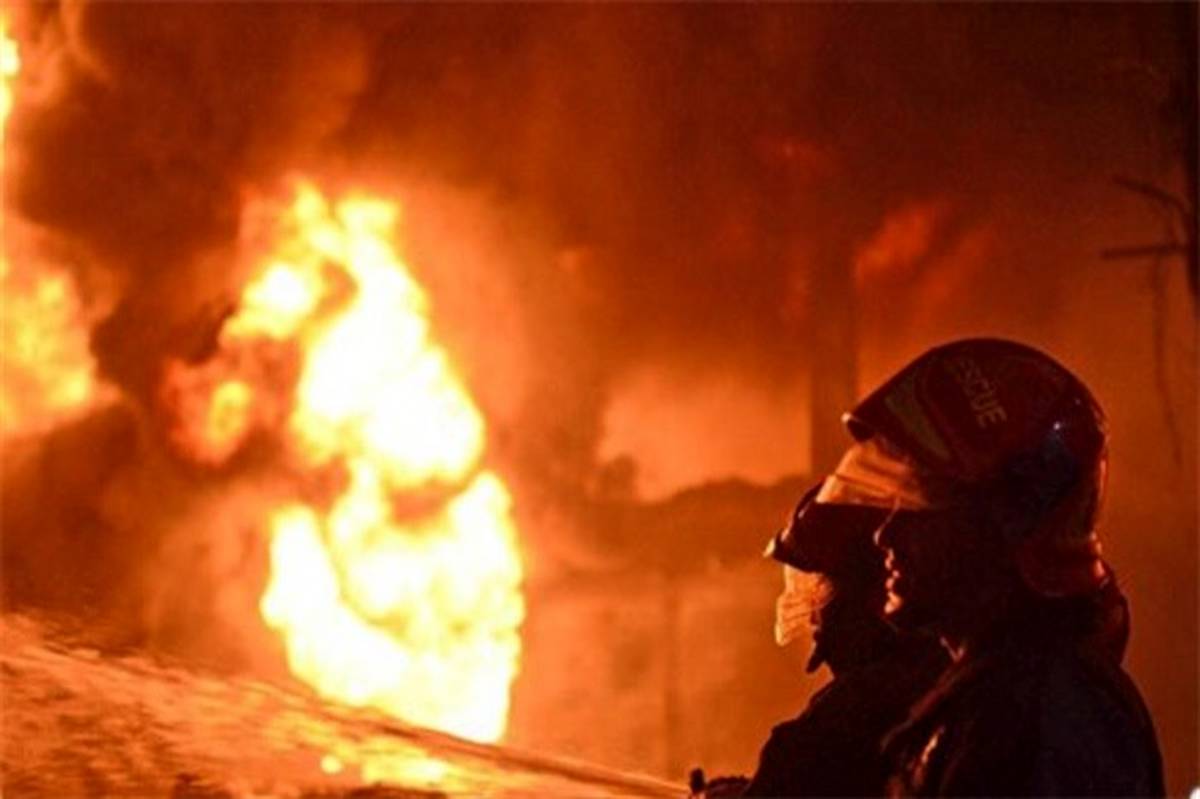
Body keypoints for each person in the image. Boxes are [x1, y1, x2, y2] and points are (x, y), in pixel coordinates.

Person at [822, 337, 1162, 796]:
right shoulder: (1007, 701)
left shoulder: (1040, 721)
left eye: (917, 508)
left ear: (996, 526)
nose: (886, 535)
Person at [695, 463, 948, 797]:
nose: (815, 626)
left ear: (868, 592)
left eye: (821, 595)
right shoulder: (952, 685)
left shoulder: (843, 720)